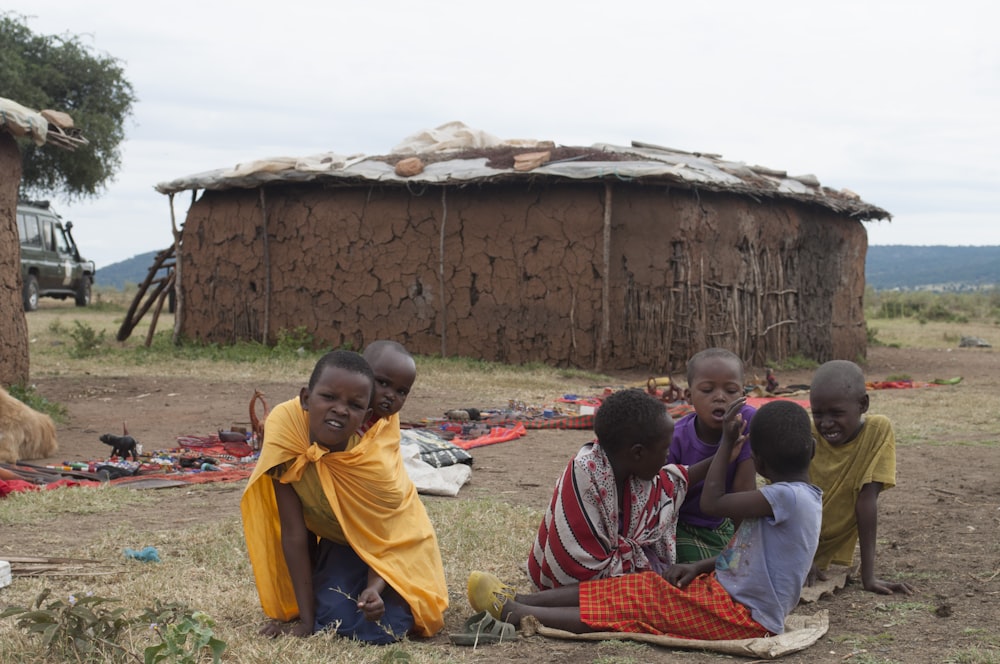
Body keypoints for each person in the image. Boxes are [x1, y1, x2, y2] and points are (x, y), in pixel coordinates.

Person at [472, 398, 822, 639]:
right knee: (643, 586)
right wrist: (701, 566)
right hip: (728, 598)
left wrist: (725, 449)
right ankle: (522, 599)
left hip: (745, 619)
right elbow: (750, 553)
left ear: (758, 462)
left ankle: (516, 615)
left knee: (638, 608)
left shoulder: (786, 498)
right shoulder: (795, 499)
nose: (670, 455)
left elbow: (714, 502)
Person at [240, 348, 448, 644]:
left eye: (354, 404)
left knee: (381, 628)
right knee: (332, 617)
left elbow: (391, 536)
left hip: (396, 554)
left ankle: (393, 598)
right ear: (305, 397)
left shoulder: (374, 461)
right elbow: (294, 531)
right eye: (329, 397)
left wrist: (376, 588)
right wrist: (305, 621)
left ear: (366, 410)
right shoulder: (286, 428)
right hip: (342, 544)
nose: (340, 409)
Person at [526, 388, 740, 591]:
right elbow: (573, 570)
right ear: (638, 453)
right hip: (569, 586)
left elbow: (674, 481)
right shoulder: (584, 477)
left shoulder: (631, 472)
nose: (668, 456)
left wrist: (724, 453)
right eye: (665, 449)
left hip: (615, 575)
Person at [807, 359, 915, 595]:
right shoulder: (807, 435)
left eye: (836, 413)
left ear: (863, 404)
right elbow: (789, 500)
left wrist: (869, 577)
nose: (826, 423)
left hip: (823, 547)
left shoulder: (877, 431)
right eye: (818, 414)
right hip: (795, 541)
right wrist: (799, 558)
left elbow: (867, 500)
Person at [668, 348, 757, 562]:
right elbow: (664, 496)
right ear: (688, 396)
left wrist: (740, 547)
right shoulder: (675, 438)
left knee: (750, 559)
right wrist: (724, 452)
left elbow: (743, 489)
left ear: (743, 396)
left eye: (731, 390)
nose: (719, 397)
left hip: (725, 523)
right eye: (707, 390)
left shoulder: (747, 422)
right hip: (684, 526)